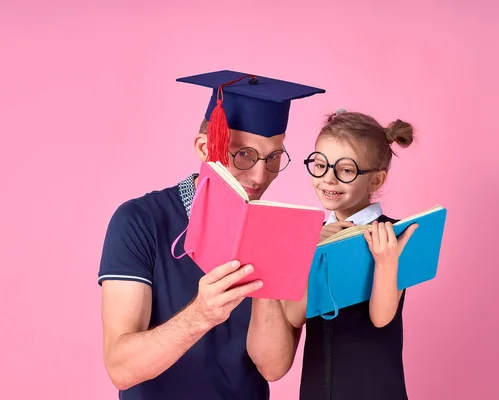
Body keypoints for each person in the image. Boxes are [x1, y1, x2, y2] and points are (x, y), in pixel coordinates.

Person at [97, 69, 325, 400]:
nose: (261, 175)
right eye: (244, 154)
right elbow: (121, 368)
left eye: (273, 157)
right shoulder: (139, 221)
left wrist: (266, 262)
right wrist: (200, 315)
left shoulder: (280, 230)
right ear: (206, 148)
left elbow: (273, 368)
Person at [246, 109, 419, 399]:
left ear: (375, 181)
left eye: (346, 170)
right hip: (318, 389)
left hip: (372, 389)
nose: (328, 179)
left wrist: (387, 262)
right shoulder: (315, 237)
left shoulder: (390, 237)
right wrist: (304, 254)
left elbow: (381, 318)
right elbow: (295, 315)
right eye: (320, 165)